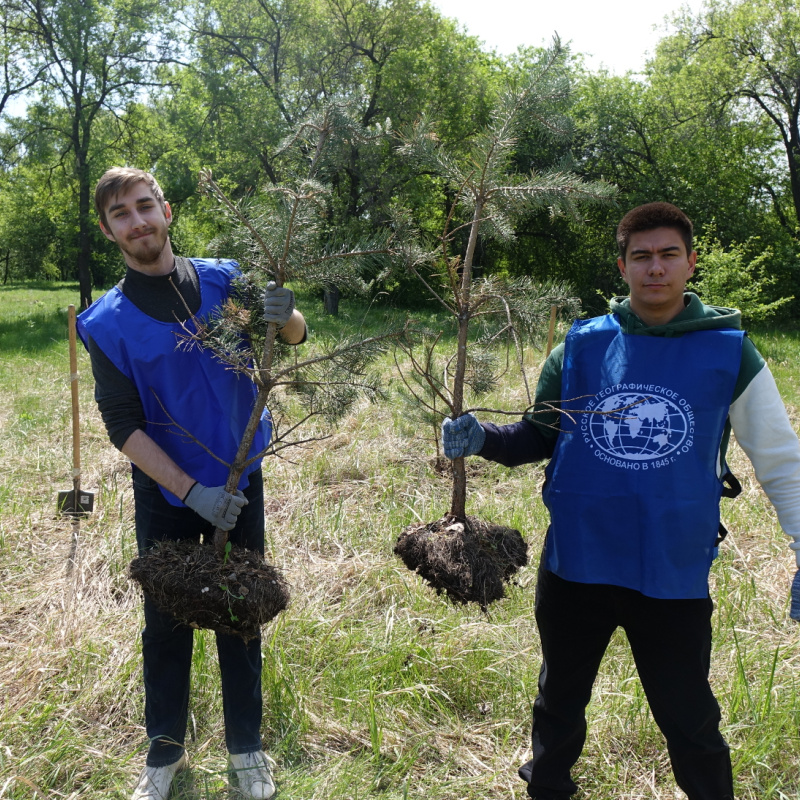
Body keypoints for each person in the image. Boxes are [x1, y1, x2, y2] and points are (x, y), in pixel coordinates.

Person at [442, 202, 800, 800]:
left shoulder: (730, 351)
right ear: (623, 265)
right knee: (559, 698)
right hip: (579, 559)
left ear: (690, 262)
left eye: (667, 255)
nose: (654, 268)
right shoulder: (583, 345)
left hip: (672, 567)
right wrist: (483, 440)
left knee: (687, 712)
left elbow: (780, 460)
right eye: (641, 256)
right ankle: (548, 787)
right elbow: (540, 434)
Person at [77, 167, 306, 800]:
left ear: (167, 210)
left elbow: (292, 336)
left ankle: (246, 751)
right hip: (168, 492)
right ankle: (164, 755)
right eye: (122, 214)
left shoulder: (225, 279)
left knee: (242, 614)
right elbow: (122, 427)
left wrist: (288, 317)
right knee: (166, 623)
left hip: (242, 481)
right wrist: (189, 491)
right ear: (108, 230)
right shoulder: (106, 324)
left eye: (145, 206)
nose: (138, 221)